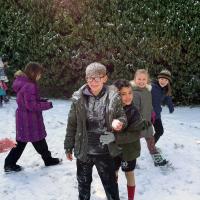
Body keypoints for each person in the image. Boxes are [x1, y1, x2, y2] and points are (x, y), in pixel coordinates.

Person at [64, 62, 127, 200]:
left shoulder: (113, 97)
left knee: (110, 185)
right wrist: (68, 146)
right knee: (83, 184)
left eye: (97, 78)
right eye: (89, 78)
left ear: (105, 78)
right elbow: (72, 124)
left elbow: (122, 116)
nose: (93, 81)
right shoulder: (78, 98)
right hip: (84, 150)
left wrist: (119, 123)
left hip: (105, 150)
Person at [4, 62, 61, 173]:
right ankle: (9, 164)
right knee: (28, 142)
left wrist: (41, 100)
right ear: (33, 73)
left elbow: (29, 101)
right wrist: (47, 105)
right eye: (39, 73)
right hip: (29, 120)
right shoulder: (30, 86)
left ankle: (47, 159)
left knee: (36, 141)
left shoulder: (24, 83)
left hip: (25, 118)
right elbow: (31, 105)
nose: (40, 76)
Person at [100, 79, 147, 200]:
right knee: (113, 172)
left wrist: (114, 137)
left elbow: (135, 135)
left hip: (129, 152)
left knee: (129, 173)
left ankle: (131, 198)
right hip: (113, 150)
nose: (128, 97)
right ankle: (113, 196)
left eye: (130, 93)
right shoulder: (110, 110)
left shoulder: (134, 112)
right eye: (123, 94)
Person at [130, 69, 167, 166]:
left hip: (147, 123)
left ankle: (156, 158)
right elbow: (135, 110)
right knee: (133, 144)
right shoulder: (134, 93)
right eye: (139, 79)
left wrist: (152, 112)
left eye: (144, 79)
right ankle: (130, 160)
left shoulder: (147, 90)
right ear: (135, 79)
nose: (141, 81)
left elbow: (149, 104)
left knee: (151, 141)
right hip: (137, 124)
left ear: (147, 80)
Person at [151, 69, 174, 144]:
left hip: (156, 115)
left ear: (168, 82)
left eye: (166, 80)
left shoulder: (166, 89)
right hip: (146, 114)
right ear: (158, 79)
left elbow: (168, 98)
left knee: (160, 131)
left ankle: (152, 145)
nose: (163, 81)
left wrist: (171, 107)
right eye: (162, 79)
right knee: (139, 132)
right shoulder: (151, 87)